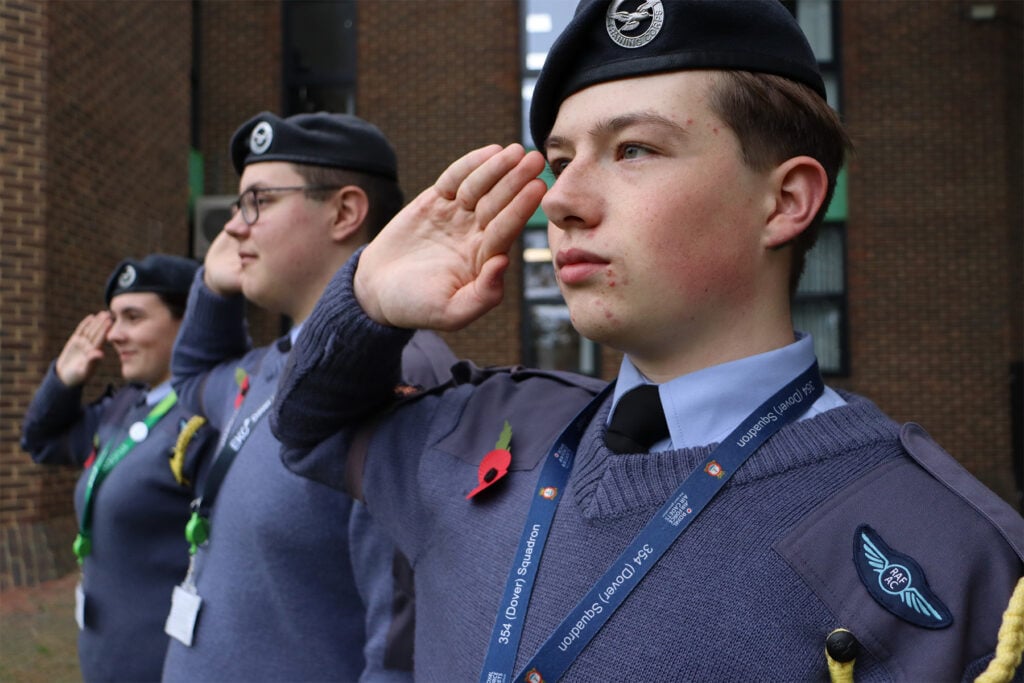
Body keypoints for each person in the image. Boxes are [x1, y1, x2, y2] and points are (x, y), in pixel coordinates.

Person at [270, 1, 1024, 681]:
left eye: (633, 149)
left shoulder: (948, 554)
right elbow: (308, 429)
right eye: (561, 162)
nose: (560, 200)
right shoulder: (481, 432)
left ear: (786, 200)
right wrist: (367, 300)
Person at [162, 111, 456, 682]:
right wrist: (213, 290)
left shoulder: (397, 373)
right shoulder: (269, 365)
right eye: (236, 207)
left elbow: (403, 651)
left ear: (345, 212)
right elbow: (192, 383)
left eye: (258, 202)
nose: (234, 229)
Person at [20, 254, 217, 683]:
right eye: (112, 319)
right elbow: (43, 442)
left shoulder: (208, 413)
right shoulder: (127, 405)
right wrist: (63, 379)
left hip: (165, 664)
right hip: (105, 658)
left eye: (133, 317)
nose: (115, 335)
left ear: (188, 322)